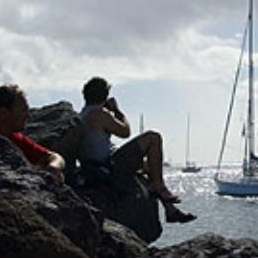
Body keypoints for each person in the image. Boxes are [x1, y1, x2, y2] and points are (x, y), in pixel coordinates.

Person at [77, 77, 195, 223]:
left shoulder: (83, 114)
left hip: (94, 165)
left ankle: (171, 210)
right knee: (153, 137)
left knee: (150, 166)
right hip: (107, 166)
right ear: (105, 95)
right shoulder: (99, 114)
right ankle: (159, 186)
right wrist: (117, 111)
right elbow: (125, 132)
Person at [0, 84, 65, 182]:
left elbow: (55, 157)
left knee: (58, 175)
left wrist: (53, 167)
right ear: (3, 113)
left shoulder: (15, 138)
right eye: (23, 110)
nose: (28, 115)